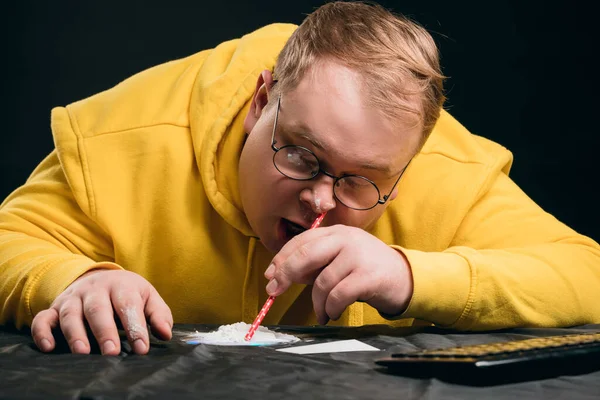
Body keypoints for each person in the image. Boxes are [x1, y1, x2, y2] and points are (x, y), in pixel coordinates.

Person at [1, 1, 599, 357]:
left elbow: (587, 276)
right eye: (304, 157)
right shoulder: (128, 133)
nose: (319, 200)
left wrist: (411, 276)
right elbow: (12, 238)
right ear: (262, 101)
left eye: (360, 182)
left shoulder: (444, 168)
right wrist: (71, 278)